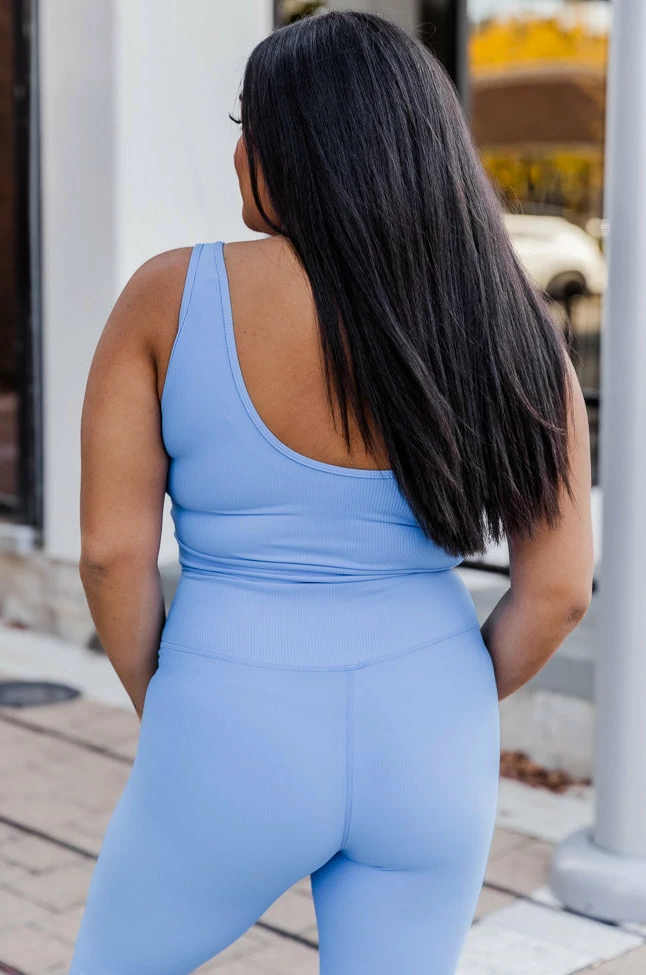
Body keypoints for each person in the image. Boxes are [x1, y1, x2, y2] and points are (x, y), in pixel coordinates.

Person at [68, 10, 594, 975]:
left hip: (229, 711)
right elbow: (559, 591)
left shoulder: (170, 296)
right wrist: (439, 694)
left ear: (302, 147)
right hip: (432, 731)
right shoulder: (513, 322)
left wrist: (175, 702)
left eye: (249, 125)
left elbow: (110, 555)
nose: (237, 153)